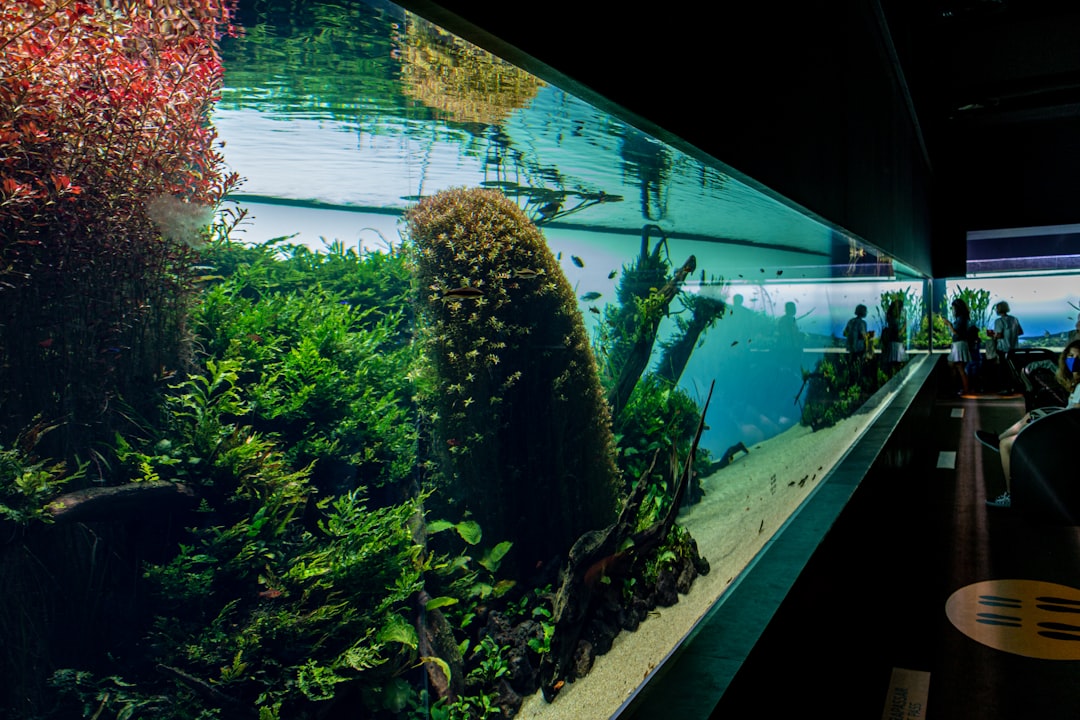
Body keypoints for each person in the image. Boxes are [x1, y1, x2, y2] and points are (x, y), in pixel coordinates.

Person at [975, 339, 1080, 508]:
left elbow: (1074, 417)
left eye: (1078, 357)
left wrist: (1048, 420)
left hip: (1066, 437)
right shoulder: (1076, 383)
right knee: (1032, 415)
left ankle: (1011, 496)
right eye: (1070, 356)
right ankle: (1001, 438)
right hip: (1064, 430)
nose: (1073, 360)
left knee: (1007, 445)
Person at [986, 301, 1024, 392]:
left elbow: (999, 335)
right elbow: (1020, 332)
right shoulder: (1014, 319)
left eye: (996, 308)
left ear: (999, 309)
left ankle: (1005, 388)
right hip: (1014, 349)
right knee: (1012, 369)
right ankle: (1014, 387)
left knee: (1003, 370)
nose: (995, 310)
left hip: (1003, 349)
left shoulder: (999, 321)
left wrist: (992, 334)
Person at [943, 298, 972, 395]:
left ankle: (965, 389)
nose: (952, 310)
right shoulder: (964, 318)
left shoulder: (961, 319)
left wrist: (949, 324)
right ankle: (958, 388)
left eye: (953, 308)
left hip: (959, 346)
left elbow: (956, 333)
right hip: (959, 345)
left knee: (959, 368)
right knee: (955, 366)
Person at [882, 298, 907, 372]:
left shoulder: (890, 318)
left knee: (892, 366)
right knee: (897, 366)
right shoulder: (895, 321)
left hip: (891, 344)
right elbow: (898, 334)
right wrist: (905, 325)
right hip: (896, 345)